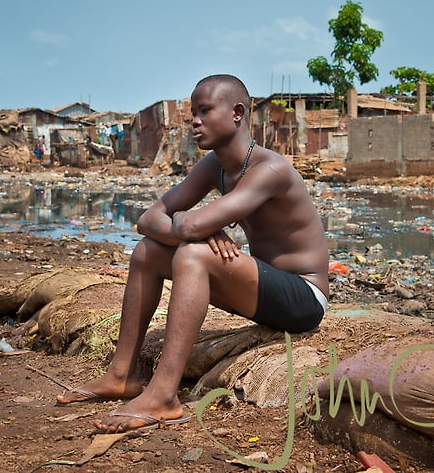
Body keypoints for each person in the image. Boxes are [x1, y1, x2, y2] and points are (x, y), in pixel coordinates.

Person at [56, 74, 329, 433]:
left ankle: (164, 396)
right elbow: (148, 219)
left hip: (303, 298)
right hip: (263, 290)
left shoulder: (270, 169)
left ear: (236, 112)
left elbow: (187, 228)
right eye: (192, 114)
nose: (195, 122)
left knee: (193, 254)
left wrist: (192, 223)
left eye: (204, 111)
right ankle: (121, 374)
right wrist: (193, 224)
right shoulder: (214, 166)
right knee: (147, 252)